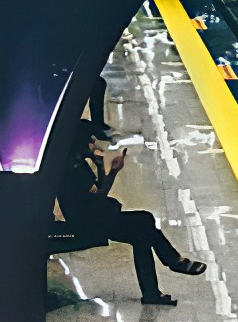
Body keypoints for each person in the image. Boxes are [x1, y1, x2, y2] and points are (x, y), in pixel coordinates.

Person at [51, 86, 203, 304]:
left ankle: (155, 288)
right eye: (90, 140)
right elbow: (99, 196)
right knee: (144, 222)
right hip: (88, 223)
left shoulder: (76, 165)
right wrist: (112, 171)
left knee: (142, 232)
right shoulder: (75, 170)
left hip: (91, 217)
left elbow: (95, 196)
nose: (94, 144)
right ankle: (172, 263)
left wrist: (102, 167)